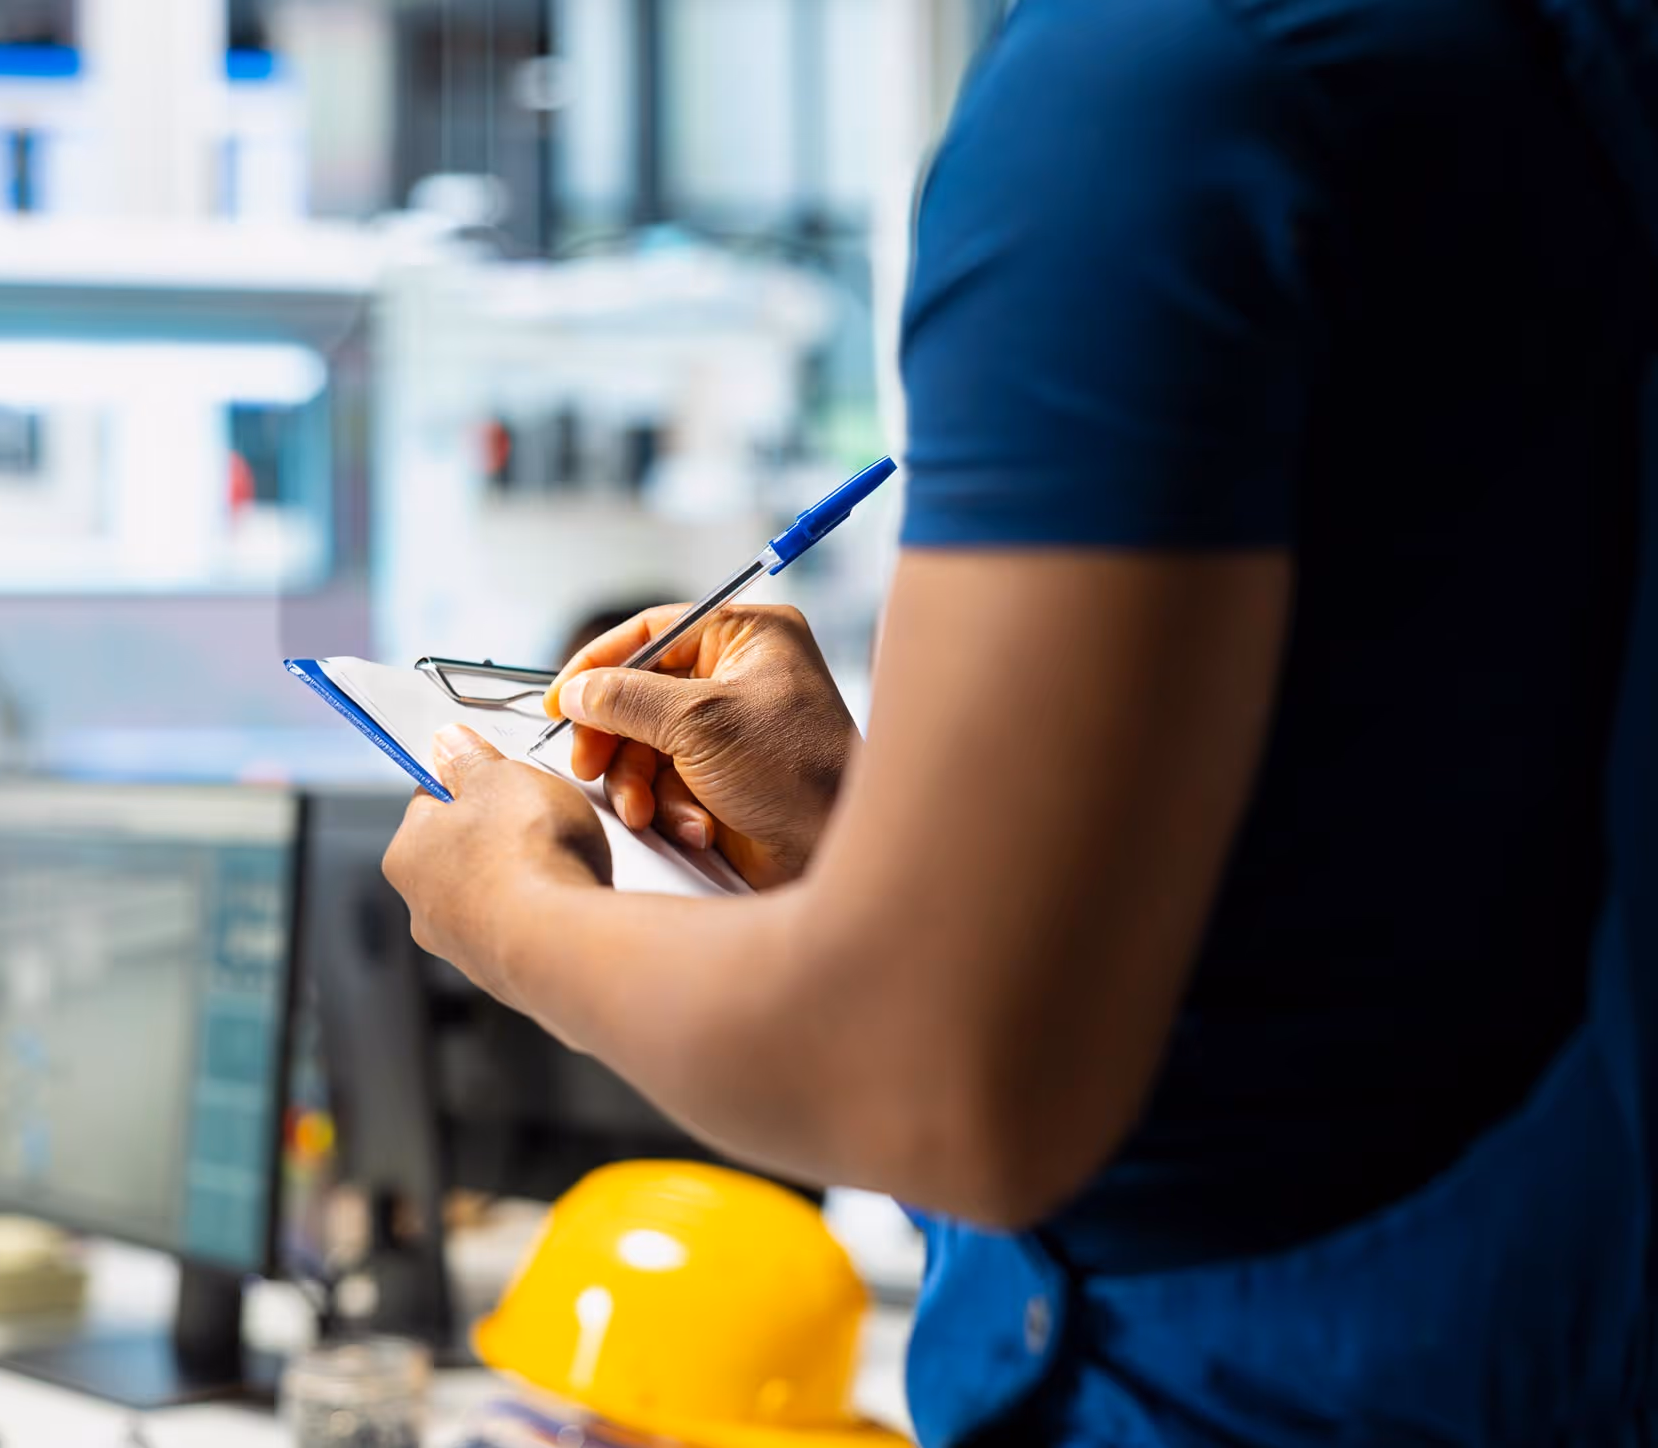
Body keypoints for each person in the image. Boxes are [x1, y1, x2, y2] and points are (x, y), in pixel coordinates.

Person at [383, 0, 1658, 1441]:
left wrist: (510, 912)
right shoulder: (1519, 66)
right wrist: (875, 853)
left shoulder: (1155, 92)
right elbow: (1388, 828)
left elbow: (942, 1083)